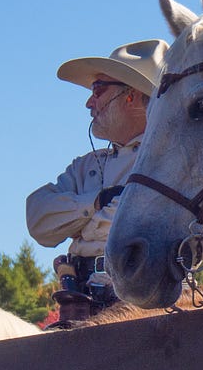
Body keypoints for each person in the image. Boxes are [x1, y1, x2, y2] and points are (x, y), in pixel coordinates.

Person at [26, 39, 167, 321]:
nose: (90, 102)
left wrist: (80, 223)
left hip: (142, 307)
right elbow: (38, 220)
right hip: (81, 303)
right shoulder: (86, 166)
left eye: (98, 89)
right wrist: (98, 202)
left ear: (131, 96)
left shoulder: (170, 162)